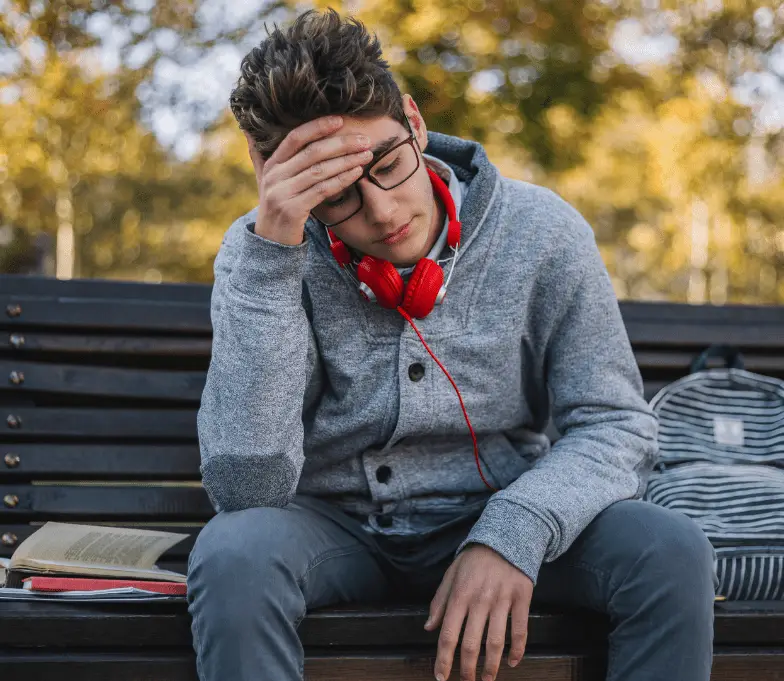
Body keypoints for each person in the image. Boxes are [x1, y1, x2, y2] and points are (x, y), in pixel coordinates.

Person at [186, 8, 717, 681]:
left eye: (385, 164)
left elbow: (616, 423)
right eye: (337, 198)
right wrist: (274, 251)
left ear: (413, 121)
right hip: (335, 532)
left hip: (502, 508)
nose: (380, 212)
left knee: (669, 547)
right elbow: (246, 490)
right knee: (233, 554)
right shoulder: (261, 255)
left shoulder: (544, 231)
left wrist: (515, 530)